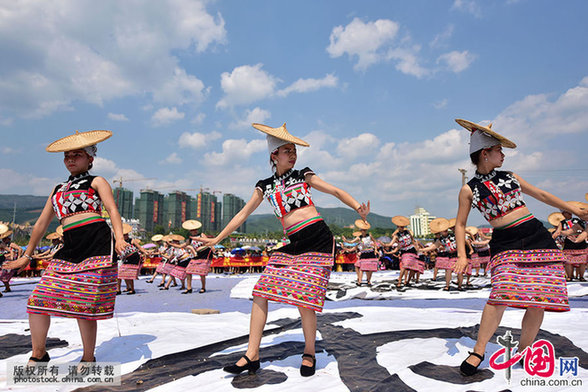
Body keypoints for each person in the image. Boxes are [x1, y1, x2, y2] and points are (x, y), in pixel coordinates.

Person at [198, 122, 369, 377]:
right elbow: (243, 214)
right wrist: (217, 239)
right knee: (260, 291)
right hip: (295, 244)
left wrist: (357, 207)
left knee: (305, 298)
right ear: (273, 155)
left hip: (318, 239)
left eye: (294, 150)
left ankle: (309, 353)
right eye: (287, 150)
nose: (292, 154)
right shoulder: (264, 186)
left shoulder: (304, 175)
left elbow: (333, 190)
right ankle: (252, 354)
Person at [452, 119, 588, 376]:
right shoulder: (468, 190)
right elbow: (460, 224)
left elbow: (543, 195)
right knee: (499, 295)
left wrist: (574, 210)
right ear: (485, 153)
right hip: (505, 241)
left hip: (536, 236)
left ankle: (525, 349)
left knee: (538, 297)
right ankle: (479, 350)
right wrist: (462, 254)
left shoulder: (511, 177)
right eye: (498, 150)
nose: (503, 155)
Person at [2, 130, 127, 365]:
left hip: (95, 243)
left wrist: (120, 239)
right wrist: (26, 256)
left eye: (77, 155)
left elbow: (112, 210)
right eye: (67, 156)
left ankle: (88, 357)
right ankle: (39, 353)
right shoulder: (58, 188)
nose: (70, 159)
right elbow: (40, 224)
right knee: (38, 300)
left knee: (85, 302)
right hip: (69, 245)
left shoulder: (96, 181)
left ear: (90, 158)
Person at [181, 220, 213, 294]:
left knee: (202, 273)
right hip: (197, 255)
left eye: (195, 230)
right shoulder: (190, 239)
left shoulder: (201, 235)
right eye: (192, 230)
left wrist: (213, 249)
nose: (194, 231)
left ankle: (203, 288)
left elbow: (208, 242)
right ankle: (189, 288)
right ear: (190, 231)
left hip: (205, 254)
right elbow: (181, 246)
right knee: (188, 270)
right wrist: (172, 244)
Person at [117, 223, 148, 295]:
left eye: (126, 234)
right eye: (124, 235)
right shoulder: (120, 242)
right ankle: (119, 289)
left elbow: (140, 248)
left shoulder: (132, 241)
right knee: (120, 274)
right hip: (125, 259)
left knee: (129, 275)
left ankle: (132, 289)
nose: (126, 236)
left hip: (133, 259)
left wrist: (145, 252)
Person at [390, 216, 420, 287]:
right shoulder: (396, 234)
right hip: (404, 251)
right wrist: (385, 244)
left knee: (413, 267)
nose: (402, 228)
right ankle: (400, 281)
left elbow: (412, 240)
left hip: (412, 250)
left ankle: (408, 281)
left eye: (403, 226)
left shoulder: (408, 231)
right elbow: (392, 238)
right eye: (400, 226)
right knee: (404, 266)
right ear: (397, 226)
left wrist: (416, 247)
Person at [353, 221, 379, 286]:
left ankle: (368, 280)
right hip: (363, 253)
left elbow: (375, 242)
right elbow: (352, 242)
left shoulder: (369, 236)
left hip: (370, 252)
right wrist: (346, 241)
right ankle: (359, 281)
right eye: (362, 230)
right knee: (361, 267)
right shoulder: (359, 237)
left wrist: (375, 249)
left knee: (370, 268)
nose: (363, 231)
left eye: (364, 230)